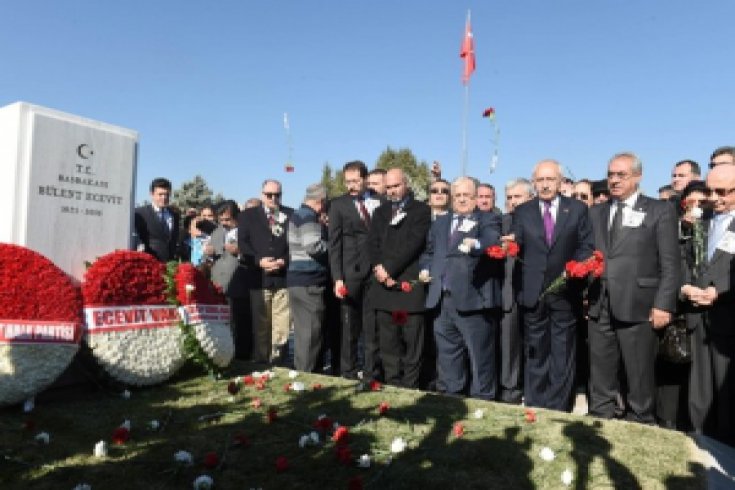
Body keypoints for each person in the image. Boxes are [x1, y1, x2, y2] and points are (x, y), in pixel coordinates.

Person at [587, 152, 680, 424]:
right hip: (600, 302)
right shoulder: (596, 212)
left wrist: (664, 304)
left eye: (621, 175)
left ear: (638, 176)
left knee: (639, 372)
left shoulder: (659, 210)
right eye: (611, 175)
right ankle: (599, 418)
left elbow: (670, 263)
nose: (614, 181)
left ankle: (641, 420)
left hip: (639, 304)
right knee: (600, 368)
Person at [511, 160, 594, 411]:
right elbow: (517, 243)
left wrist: (576, 268)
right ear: (533, 183)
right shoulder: (523, 211)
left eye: (550, 179)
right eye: (540, 180)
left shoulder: (577, 209)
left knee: (562, 353)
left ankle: (559, 407)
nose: (545, 185)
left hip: (565, 292)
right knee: (535, 352)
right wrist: (509, 245)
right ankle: (535, 404)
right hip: (533, 293)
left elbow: (586, 245)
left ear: (560, 182)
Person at [422, 176, 503, 399]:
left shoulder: (487, 219)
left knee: (480, 357)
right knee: (448, 354)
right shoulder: (441, 222)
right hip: (442, 299)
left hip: (473, 299)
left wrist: (476, 244)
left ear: (476, 197)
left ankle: (483, 400)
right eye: (457, 195)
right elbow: (430, 252)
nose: (461, 199)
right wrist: (426, 268)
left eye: (466, 195)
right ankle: (452, 397)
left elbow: (492, 240)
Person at [681, 164, 735, 444]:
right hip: (697, 313)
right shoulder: (701, 220)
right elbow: (684, 258)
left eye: (722, 192)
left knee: (727, 389)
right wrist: (685, 286)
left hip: (728, 316)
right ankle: (699, 438)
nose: (714, 198)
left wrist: (719, 290)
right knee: (699, 386)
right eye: (710, 191)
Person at [369, 168, 431, 388]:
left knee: (412, 342)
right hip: (385, 290)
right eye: (388, 187)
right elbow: (372, 243)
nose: (392, 191)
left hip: (407, 290)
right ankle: (392, 383)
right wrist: (379, 269)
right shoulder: (380, 212)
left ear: (406, 184)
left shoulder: (421, 210)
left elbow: (413, 244)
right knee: (389, 343)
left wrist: (390, 270)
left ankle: (410, 386)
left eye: (396, 186)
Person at [328, 161, 382, 380]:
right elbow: (334, 244)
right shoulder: (338, 205)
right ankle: (348, 370)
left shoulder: (380, 201)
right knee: (350, 326)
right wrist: (337, 278)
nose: (351, 186)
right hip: (350, 272)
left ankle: (371, 371)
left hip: (375, 272)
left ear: (365, 179)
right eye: (347, 181)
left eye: (355, 181)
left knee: (372, 325)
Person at [238, 179, 293, 364]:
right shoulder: (248, 216)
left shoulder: (289, 214)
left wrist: (284, 260)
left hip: (282, 278)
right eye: (269, 195)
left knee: (282, 325)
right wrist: (258, 261)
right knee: (261, 325)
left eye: (277, 195)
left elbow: (295, 244)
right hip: (258, 278)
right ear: (262, 195)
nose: (273, 198)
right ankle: (262, 361)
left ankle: (278, 361)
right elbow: (243, 244)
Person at [498, 178, 534, 403]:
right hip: (509, 293)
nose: (512, 201)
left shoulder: (541, 222)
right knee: (509, 344)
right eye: (509, 197)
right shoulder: (501, 222)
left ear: (530, 198)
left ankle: (534, 390)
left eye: (517, 197)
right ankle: (510, 391)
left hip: (535, 292)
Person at [287, 183, 329, 372]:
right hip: (309, 281)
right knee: (311, 334)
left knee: (303, 333)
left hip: (297, 281)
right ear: (321, 201)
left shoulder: (297, 214)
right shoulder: (308, 216)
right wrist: (334, 245)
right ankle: (307, 375)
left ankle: (303, 371)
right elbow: (313, 246)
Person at [205, 200, 251, 360]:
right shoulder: (217, 231)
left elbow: (255, 254)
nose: (224, 223)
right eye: (221, 220)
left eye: (227, 219)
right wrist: (209, 252)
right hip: (218, 284)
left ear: (236, 216)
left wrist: (240, 252)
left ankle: (242, 357)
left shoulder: (246, 230)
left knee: (240, 324)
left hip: (239, 284)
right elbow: (211, 255)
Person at [134, 177, 180, 262]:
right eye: (160, 194)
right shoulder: (140, 213)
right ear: (152, 194)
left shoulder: (174, 215)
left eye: (167, 194)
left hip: (169, 264)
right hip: (148, 263)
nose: (164, 197)